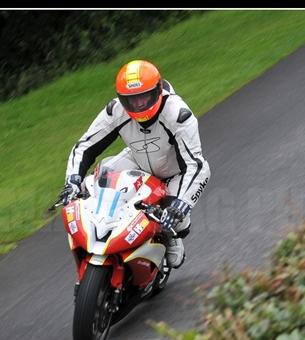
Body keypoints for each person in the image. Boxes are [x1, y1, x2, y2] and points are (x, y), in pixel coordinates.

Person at [59, 59, 210, 269]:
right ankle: (100, 234)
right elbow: (85, 146)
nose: (138, 104)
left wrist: (181, 204)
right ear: (122, 99)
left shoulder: (178, 115)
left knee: (177, 229)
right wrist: (72, 180)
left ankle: (170, 238)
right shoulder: (115, 110)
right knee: (93, 181)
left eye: (144, 97)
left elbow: (197, 166)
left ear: (157, 91)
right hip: (137, 162)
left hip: (173, 174)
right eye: (131, 100)